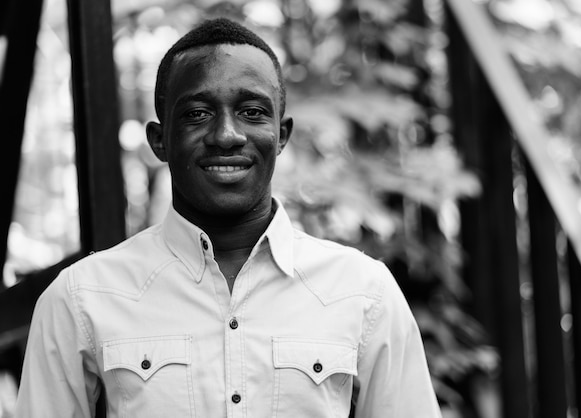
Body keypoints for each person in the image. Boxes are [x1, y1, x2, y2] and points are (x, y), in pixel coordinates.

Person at [15, 18, 441, 418]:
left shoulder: (364, 293)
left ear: (281, 135)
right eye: (197, 114)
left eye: (253, 112)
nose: (226, 135)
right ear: (160, 141)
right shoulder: (80, 298)